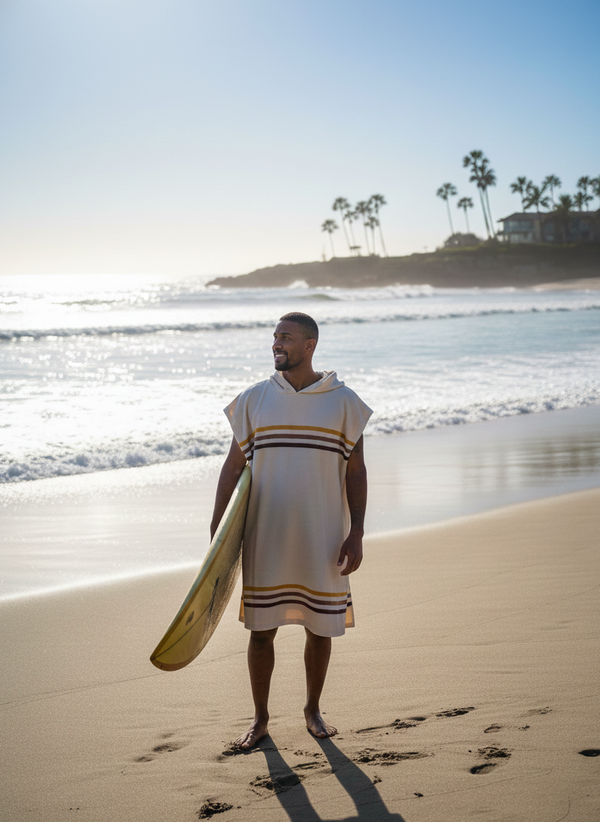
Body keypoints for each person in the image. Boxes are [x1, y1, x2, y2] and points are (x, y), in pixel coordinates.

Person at [210, 312, 372, 749]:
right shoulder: (253, 400)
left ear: (310, 345)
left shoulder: (343, 402)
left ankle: (312, 709)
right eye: (275, 336)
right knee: (261, 631)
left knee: (320, 628)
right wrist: (217, 529)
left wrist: (356, 532)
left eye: (286, 337)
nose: (277, 343)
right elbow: (233, 466)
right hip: (266, 535)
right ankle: (260, 719)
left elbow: (355, 473)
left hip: (323, 536)